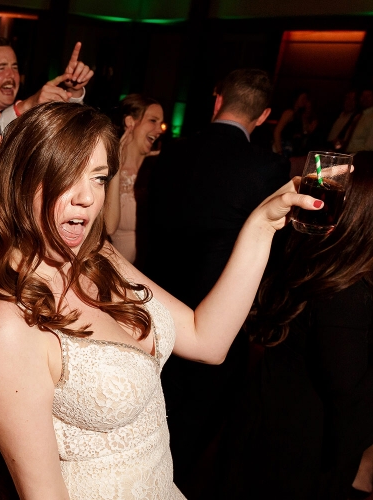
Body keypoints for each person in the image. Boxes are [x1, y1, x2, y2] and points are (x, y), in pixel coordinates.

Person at [0, 101, 321, 499]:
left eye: (98, 178)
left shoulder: (98, 256)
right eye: (65, 176)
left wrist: (262, 225)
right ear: (17, 183)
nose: (87, 198)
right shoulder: (6, 325)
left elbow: (207, 340)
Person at [143, 68, 289, 497]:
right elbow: (271, 251)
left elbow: (152, 222)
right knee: (196, 422)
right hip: (218, 313)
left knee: (151, 409)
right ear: (263, 116)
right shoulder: (267, 166)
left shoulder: (172, 151)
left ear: (217, 99)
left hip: (155, 301)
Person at [218, 151, 373, 500]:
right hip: (292, 454)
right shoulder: (345, 292)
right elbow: (349, 398)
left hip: (266, 425)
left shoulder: (318, 257)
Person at [0, 37, 93, 152]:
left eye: (14, 67)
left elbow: (70, 136)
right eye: (1, 68)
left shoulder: (32, 103)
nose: (11, 75)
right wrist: (25, 107)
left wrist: (73, 90)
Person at [104, 94, 163, 265]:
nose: (159, 130)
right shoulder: (107, 166)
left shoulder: (159, 166)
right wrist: (116, 167)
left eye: (160, 123)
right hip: (114, 269)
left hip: (151, 269)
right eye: (153, 121)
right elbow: (108, 227)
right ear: (130, 122)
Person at [272, 88, 318, 157]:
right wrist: (280, 151)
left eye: (306, 99)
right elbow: (277, 131)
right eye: (303, 98)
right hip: (283, 147)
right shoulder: (289, 112)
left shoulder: (299, 115)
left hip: (291, 149)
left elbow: (304, 132)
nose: (304, 101)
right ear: (296, 98)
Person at [346, 87, 373, 153]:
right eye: (363, 96)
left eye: (368, 96)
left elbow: (369, 147)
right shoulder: (358, 116)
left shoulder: (371, 118)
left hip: (360, 156)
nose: (364, 98)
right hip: (347, 154)